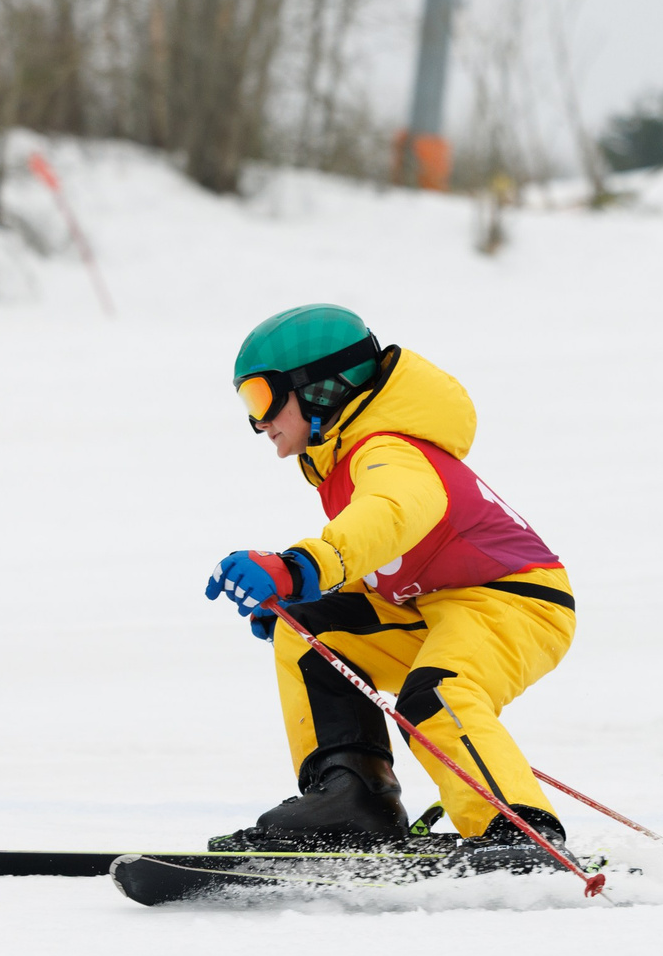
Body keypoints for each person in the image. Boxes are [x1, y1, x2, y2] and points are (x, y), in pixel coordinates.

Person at [202, 305, 576, 856]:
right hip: (431, 604)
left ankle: (517, 830)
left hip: (514, 599)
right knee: (312, 637)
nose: (258, 423)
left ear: (322, 390)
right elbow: (391, 567)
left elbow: (390, 516)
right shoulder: (346, 458)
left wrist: (301, 565)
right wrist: (301, 595)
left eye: (261, 398)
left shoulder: (388, 449)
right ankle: (352, 800)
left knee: (439, 693)